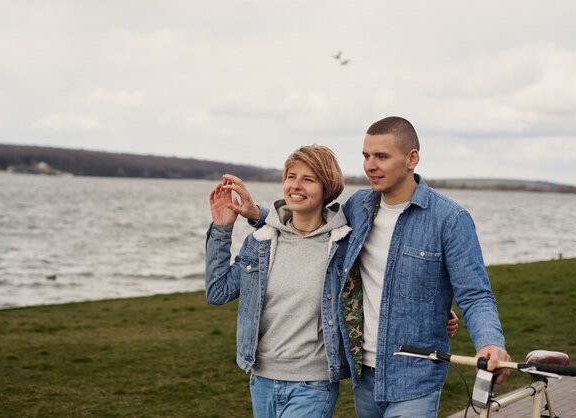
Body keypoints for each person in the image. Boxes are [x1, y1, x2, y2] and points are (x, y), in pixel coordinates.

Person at [230, 116, 509, 418]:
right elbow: (306, 227)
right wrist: (258, 214)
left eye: (382, 156)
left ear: (411, 158)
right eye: (366, 156)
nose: (370, 165)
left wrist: (490, 342)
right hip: (364, 373)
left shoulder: (450, 219)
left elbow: (475, 294)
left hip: (415, 375)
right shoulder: (358, 208)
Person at [205, 145, 351, 418]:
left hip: (313, 383)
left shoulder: (343, 245)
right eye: (291, 176)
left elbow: (382, 278)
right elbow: (218, 291)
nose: (296, 185)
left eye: (308, 179)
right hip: (261, 380)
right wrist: (223, 228)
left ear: (327, 188)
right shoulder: (262, 241)